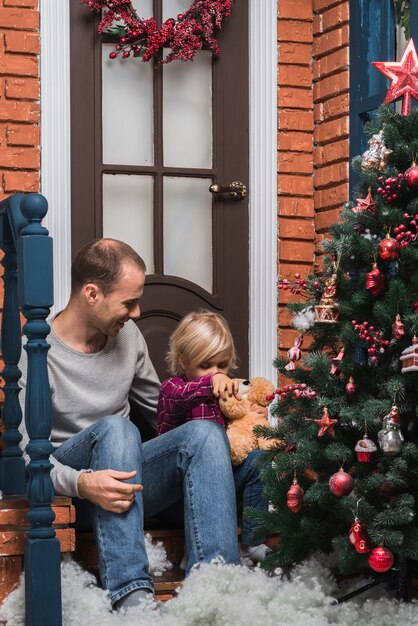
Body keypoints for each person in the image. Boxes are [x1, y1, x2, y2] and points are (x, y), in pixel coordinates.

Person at [18, 238, 242, 612]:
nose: (137, 313)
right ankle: (132, 595)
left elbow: (164, 410)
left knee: (202, 433)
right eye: (128, 302)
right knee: (117, 428)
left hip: (130, 483)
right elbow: (28, 461)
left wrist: (230, 416)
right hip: (76, 494)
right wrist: (84, 483)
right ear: (92, 293)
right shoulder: (38, 352)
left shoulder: (127, 336)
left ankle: (220, 585)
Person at [157, 310, 271, 565]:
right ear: (183, 361)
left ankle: (253, 542)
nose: (215, 372)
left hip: (220, 489)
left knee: (260, 459)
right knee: (203, 463)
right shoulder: (172, 388)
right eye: (205, 365)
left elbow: (241, 437)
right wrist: (211, 382)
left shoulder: (229, 394)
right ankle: (197, 548)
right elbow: (181, 396)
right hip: (176, 497)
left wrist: (256, 417)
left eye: (222, 365)